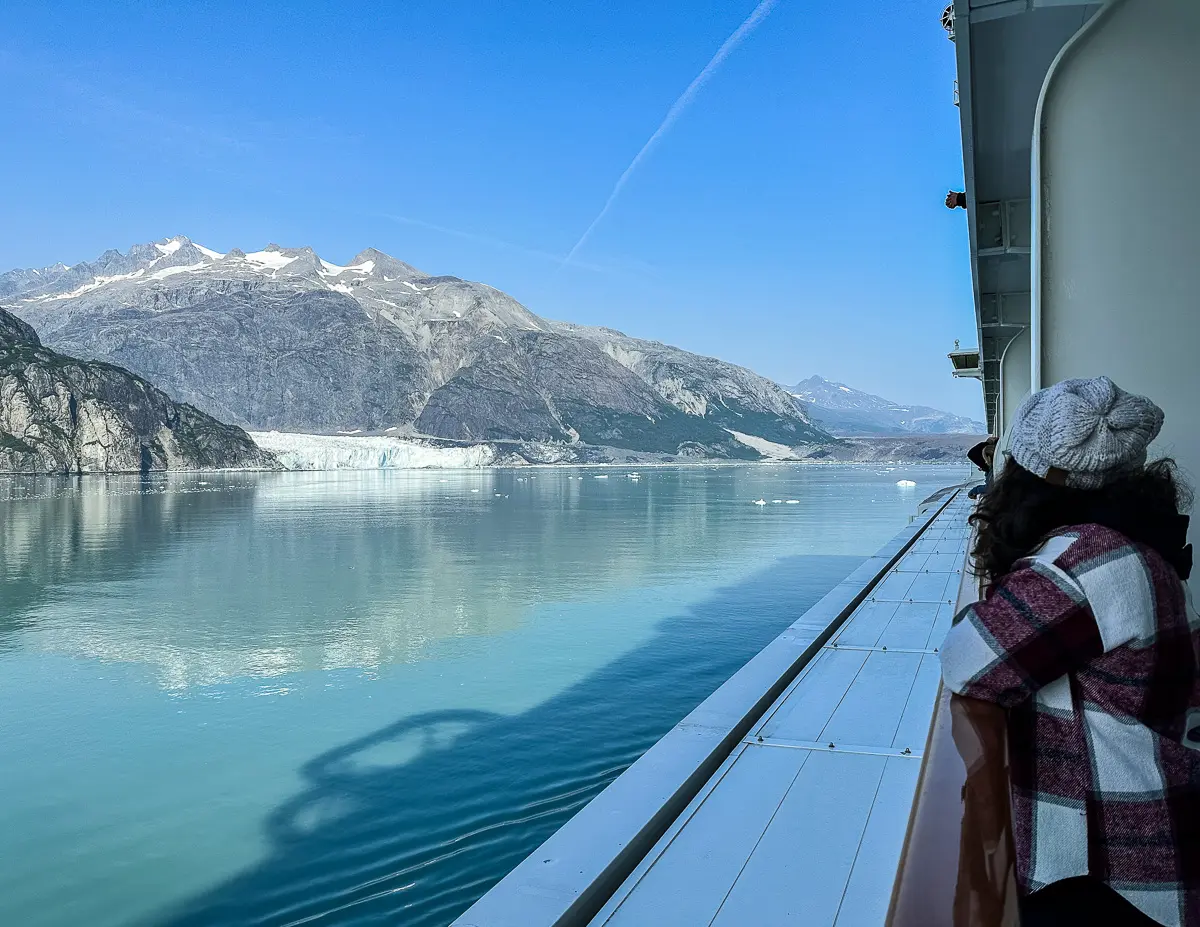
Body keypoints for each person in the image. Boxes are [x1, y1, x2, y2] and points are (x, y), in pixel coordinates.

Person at [939, 376, 1200, 927]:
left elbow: (969, 660)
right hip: (1150, 830)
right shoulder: (1136, 543)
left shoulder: (1086, 560)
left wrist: (985, 605)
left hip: (1114, 864)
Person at [966, 434, 997, 498]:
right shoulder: (992, 468)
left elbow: (990, 488)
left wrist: (976, 490)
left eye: (985, 458)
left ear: (988, 458)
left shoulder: (992, 471)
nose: (985, 461)